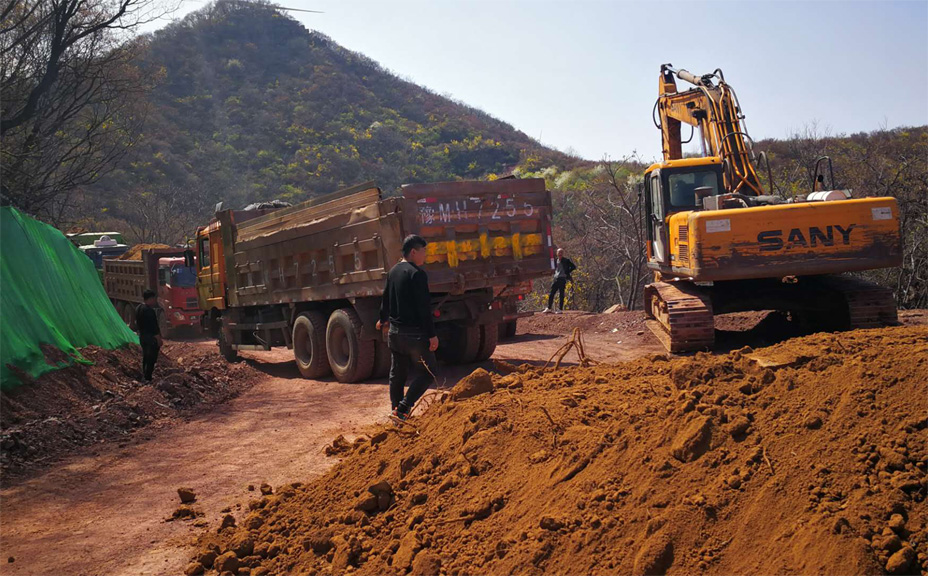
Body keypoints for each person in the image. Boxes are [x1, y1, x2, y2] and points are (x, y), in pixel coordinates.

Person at [376, 234, 439, 421]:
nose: (425, 255)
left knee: (398, 374)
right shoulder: (417, 274)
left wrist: (382, 319)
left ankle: (396, 411)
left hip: (395, 335)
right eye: (423, 251)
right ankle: (403, 408)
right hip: (414, 336)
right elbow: (423, 309)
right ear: (413, 252)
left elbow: (385, 300)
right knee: (429, 372)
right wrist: (432, 335)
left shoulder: (393, 272)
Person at [136, 289, 162, 381]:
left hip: (142, 337)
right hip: (150, 338)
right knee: (151, 358)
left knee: (146, 357)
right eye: (154, 299)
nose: (155, 301)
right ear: (150, 299)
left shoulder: (138, 308)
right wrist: (158, 339)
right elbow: (153, 327)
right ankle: (148, 377)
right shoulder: (149, 311)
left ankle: (145, 375)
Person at [543, 248, 576, 314]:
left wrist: (566, 272)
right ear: (557, 253)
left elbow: (573, 267)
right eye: (559, 252)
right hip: (556, 278)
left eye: (561, 252)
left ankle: (560, 309)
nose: (560, 254)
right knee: (551, 293)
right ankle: (549, 308)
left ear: (562, 253)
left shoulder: (566, 260)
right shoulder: (556, 261)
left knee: (561, 294)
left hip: (562, 279)